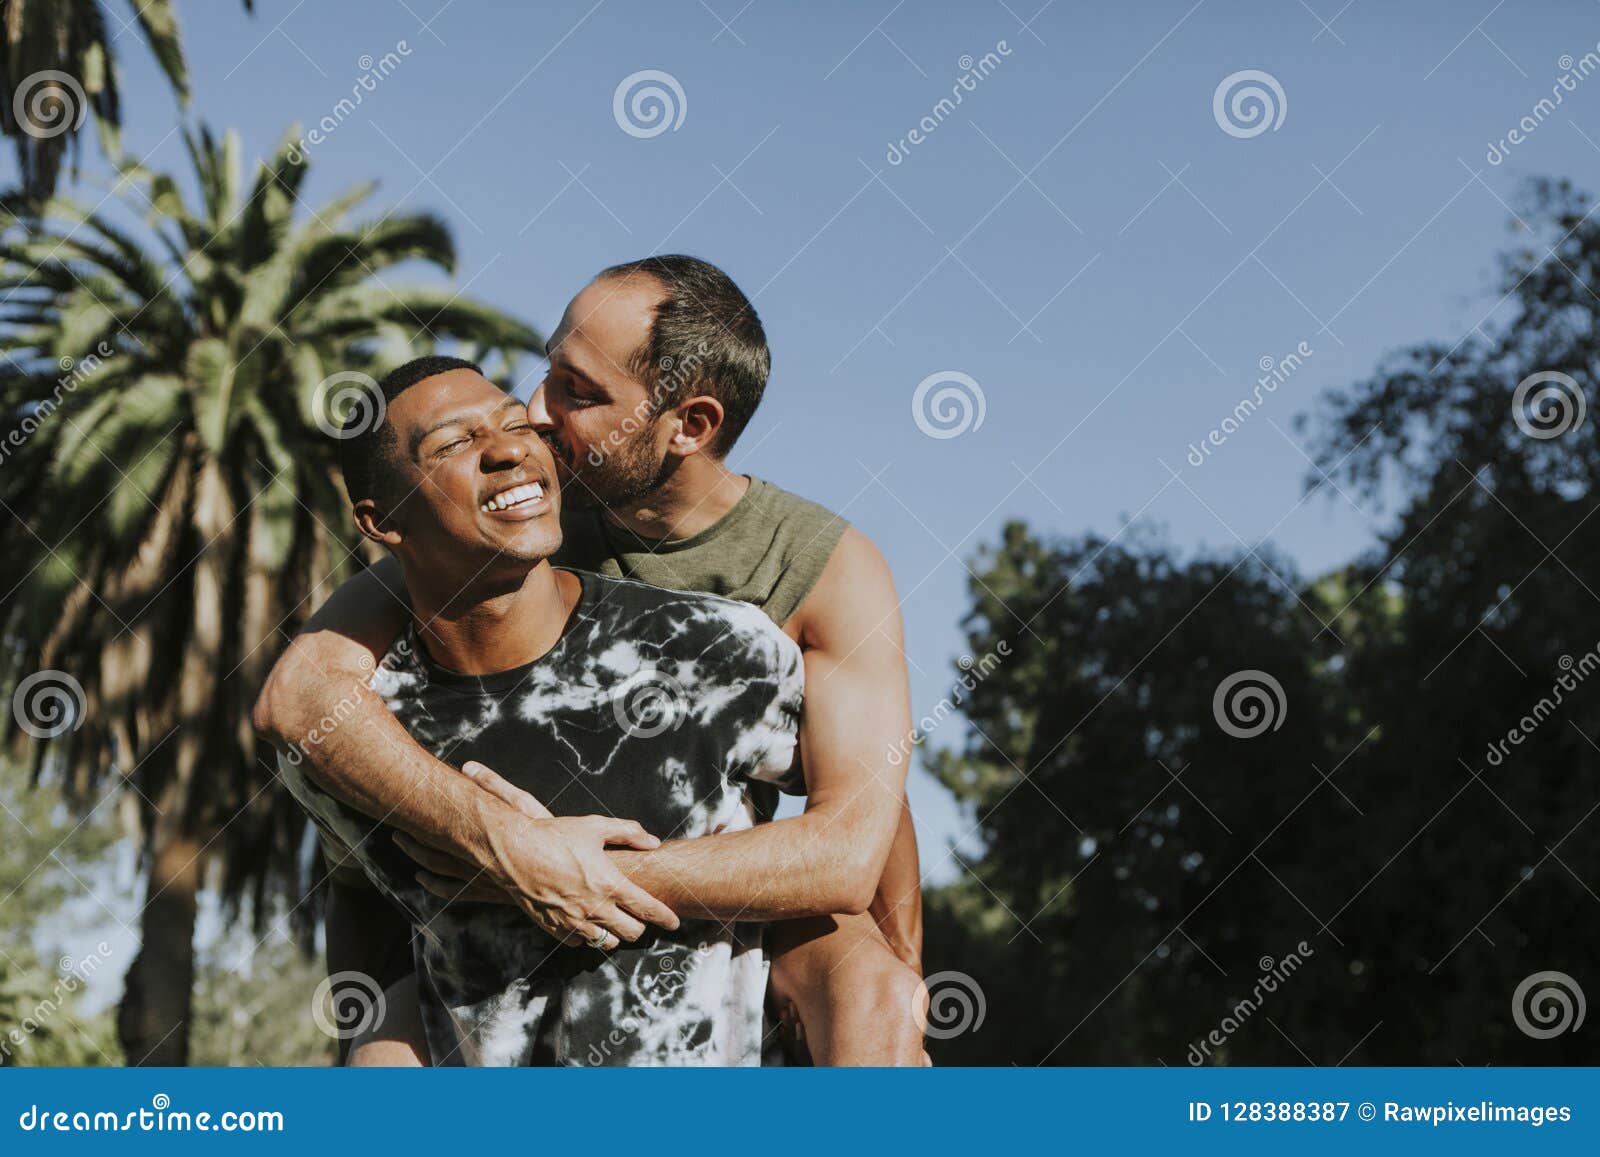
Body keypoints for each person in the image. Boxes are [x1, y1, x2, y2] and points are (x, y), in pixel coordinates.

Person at [254, 256, 925, 1065]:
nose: (538, 413)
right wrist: (498, 840)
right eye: (549, 371)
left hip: (743, 897)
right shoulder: (515, 525)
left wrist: (571, 874)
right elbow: (300, 693)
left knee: (875, 989)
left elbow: (854, 844)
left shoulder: (821, 569)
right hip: (498, 916)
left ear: (690, 425)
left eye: (580, 391)